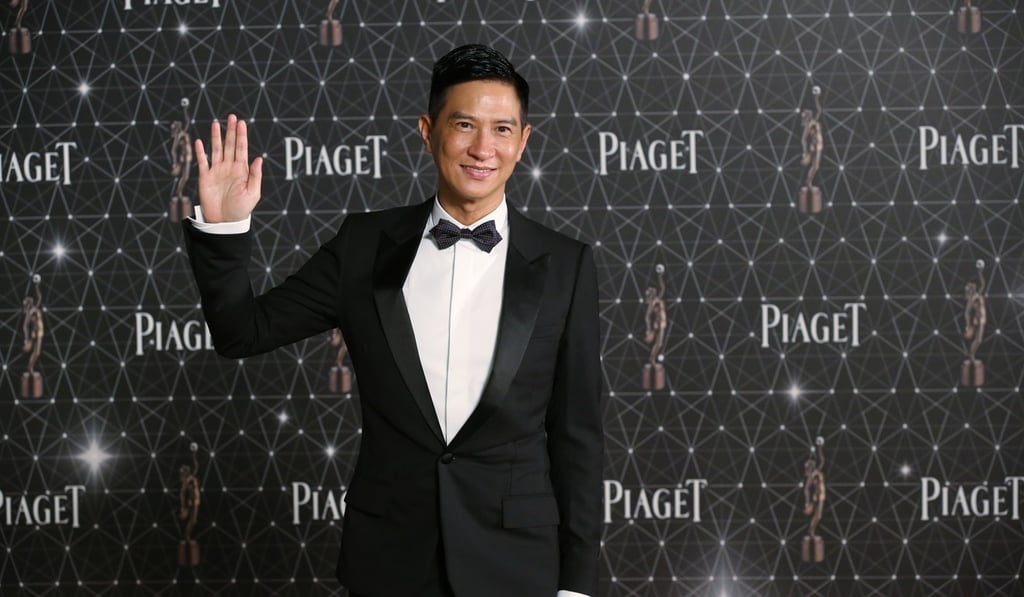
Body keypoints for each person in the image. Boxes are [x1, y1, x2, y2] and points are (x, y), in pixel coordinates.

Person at [181, 44, 603, 597]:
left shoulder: (566, 265)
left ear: (523, 143)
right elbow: (243, 332)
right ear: (428, 131)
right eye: (464, 125)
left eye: (502, 129)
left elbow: (577, 438)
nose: (483, 148)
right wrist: (226, 229)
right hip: (390, 562)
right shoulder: (362, 247)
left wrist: (576, 585)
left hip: (518, 565)